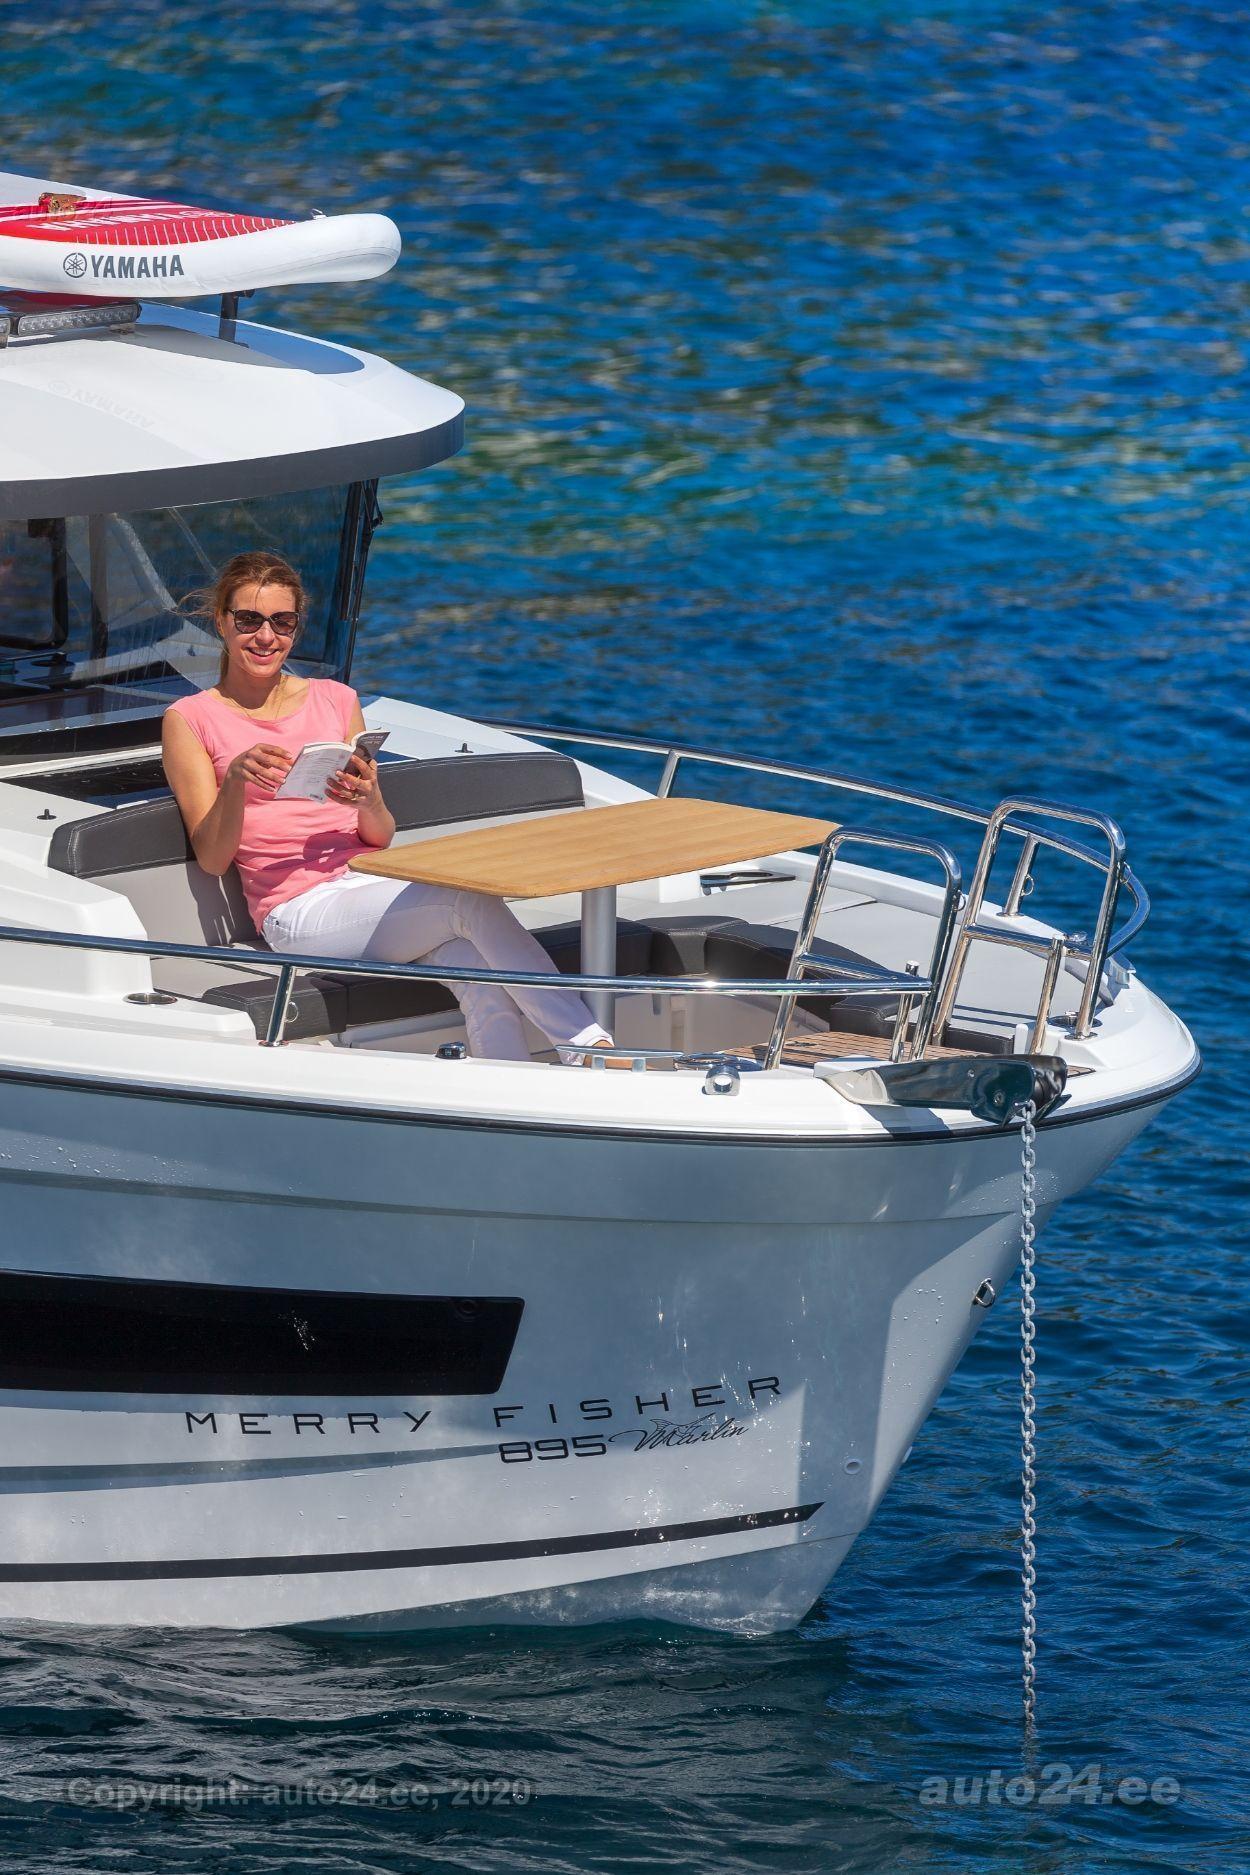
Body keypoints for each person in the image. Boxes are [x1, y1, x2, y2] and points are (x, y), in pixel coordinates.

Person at [162, 551, 613, 1061]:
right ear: (221, 621)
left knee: (478, 974)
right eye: (249, 620)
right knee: (468, 899)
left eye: (282, 622)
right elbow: (212, 858)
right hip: (297, 912)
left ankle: (503, 1087)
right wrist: (236, 782)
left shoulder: (336, 699)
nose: (266, 636)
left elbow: (379, 837)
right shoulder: (191, 718)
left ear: (296, 627)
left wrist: (369, 797)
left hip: (368, 883)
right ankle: (588, 1047)